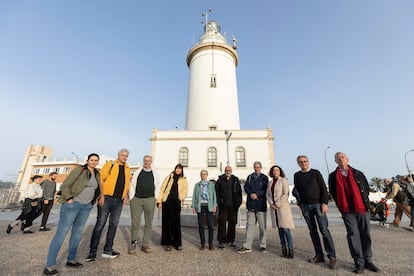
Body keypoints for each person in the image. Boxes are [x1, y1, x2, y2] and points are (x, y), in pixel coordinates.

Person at [43, 153, 101, 276]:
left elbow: (96, 189)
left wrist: (94, 201)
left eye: (96, 160)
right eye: (92, 160)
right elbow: (66, 185)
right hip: (73, 205)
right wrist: (69, 198)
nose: (94, 162)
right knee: (62, 233)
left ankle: (71, 259)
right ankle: (49, 266)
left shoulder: (97, 173)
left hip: (86, 207)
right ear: (87, 160)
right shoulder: (80, 170)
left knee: (77, 233)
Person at [328, 152, 380, 274]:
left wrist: (361, 201)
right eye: (338, 158)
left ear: (347, 159)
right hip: (347, 209)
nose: (341, 160)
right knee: (353, 234)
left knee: (365, 234)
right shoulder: (332, 176)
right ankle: (359, 263)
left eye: (343, 157)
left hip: (361, 207)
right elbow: (333, 192)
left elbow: (366, 188)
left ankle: (368, 261)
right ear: (335, 161)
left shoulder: (357, 173)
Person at [86, 149, 131, 262]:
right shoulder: (110, 164)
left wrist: (125, 196)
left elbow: (127, 183)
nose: (124, 157)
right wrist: (101, 195)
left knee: (114, 225)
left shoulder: (127, 168)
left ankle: (108, 250)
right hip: (106, 198)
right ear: (118, 155)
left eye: (126, 156)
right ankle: (92, 252)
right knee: (100, 224)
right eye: (122, 155)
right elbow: (101, 179)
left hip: (119, 201)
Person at [293, 155, 336, 269]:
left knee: (324, 230)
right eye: (301, 162)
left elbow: (323, 188)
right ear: (298, 164)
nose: (303, 163)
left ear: (308, 161)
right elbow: (297, 190)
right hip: (306, 207)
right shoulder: (297, 175)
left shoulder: (316, 173)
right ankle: (319, 255)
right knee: (313, 232)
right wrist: (300, 203)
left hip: (318, 205)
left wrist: (325, 203)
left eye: (305, 161)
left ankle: (332, 256)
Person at [128, 155, 160, 254]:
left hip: (150, 200)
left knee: (148, 223)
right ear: (143, 161)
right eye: (145, 161)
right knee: (135, 223)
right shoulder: (138, 172)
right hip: (136, 200)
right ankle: (133, 243)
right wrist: (131, 197)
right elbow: (132, 184)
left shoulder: (155, 173)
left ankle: (145, 244)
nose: (146, 162)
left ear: (151, 162)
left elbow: (158, 186)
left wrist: (155, 198)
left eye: (148, 161)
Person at [238, 161, 268, 253]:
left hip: (260, 205)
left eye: (258, 167)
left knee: (262, 227)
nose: (256, 168)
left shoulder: (264, 178)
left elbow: (265, 189)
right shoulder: (250, 177)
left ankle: (263, 245)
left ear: (261, 168)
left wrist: (257, 194)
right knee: (250, 226)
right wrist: (250, 193)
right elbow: (246, 187)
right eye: (255, 167)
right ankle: (247, 246)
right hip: (251, 205)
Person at [157, 164, 188, 251]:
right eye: (177, 168)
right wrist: (159, 201)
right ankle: (168, 243)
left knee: (176, 223)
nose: (178, 170)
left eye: (180, 169)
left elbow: (185, 190)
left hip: (176, 202)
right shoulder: (169, 177)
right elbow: (162, 189)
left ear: (182, 170)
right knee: (167, 223)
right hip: (167, 201)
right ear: (175, 169)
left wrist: (181, 198)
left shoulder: (183, 179)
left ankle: (177, 243)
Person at [266, 165, 294, 258]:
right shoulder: (270, 183)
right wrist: (271, 203)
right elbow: (268, 194)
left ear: (280, 171)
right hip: (274, 209)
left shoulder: (283, 180)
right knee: (280, 230)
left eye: (277, 170)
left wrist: (277, 204)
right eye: (273, 170)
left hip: (282, 208)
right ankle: (284, 249)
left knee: (286, 229)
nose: (275, 172)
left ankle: (290, 250)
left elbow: (285, 194)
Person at [215, 166, 242, 249]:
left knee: (232, 223)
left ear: (231, 171)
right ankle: (221, 241)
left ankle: (231, 240)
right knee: (222, 223)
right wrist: (219, 203)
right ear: (224, 171)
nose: (228, 171)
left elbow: (239, 192)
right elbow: (216, 192)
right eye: (226, 170)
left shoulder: (235, 180)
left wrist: (238, 203)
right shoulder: (220, 180)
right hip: (223, 206)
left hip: (233, 206)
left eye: (229, 170)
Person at [192, 169, 217, 250]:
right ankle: (202, 243)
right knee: (201, 225)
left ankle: (210, 243)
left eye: (205, 174)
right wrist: (194, 206)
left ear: (207, 175)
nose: (203, 175)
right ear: (200, 175)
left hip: (209, 206)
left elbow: (214, 196)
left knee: (210, 225)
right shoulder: (197, 185)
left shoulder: (211, 185)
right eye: (202, 174)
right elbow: (194, 196)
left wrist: (214, 206)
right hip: (200, 206)